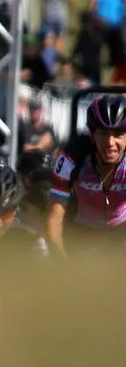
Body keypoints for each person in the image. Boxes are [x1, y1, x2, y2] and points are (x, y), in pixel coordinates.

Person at [45, 96, 126, 257]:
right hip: (82, 233)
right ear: (92, 135)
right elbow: (53, 219)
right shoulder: (73, 158)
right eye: (103, 133)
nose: (110, 142)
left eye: (118, 134)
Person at [89, 0, 126, 70]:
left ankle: (96, 61)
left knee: (99, 43)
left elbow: (94, 2)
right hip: (116, 19)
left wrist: (90, 14)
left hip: (102, 19)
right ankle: (115, 63)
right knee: (116, 44)